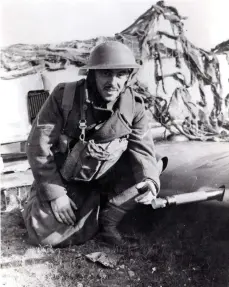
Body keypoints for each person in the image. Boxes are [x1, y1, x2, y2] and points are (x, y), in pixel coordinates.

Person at [22, 41, 167, 248]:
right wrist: (56, 195)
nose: (113, 82)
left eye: (120, 74)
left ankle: (110, 217)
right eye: (106, 74)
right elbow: (38, 145)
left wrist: (150, 182)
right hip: (68, 180)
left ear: (128, 77)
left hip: (107, 178)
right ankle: (36, 202)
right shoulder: (65, 97)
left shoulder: (134, 107)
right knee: (45, 237)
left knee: (154, 166)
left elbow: (143, 151)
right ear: (92, 74)